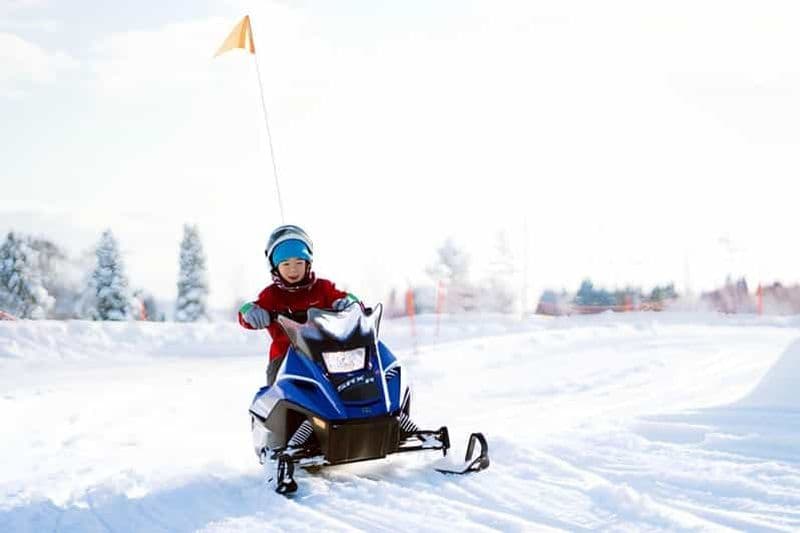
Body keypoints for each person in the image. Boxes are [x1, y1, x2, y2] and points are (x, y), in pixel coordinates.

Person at [238, 225, 358, 385]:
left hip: (327, 355)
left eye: (299, 262)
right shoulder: (271, 295)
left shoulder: (323, 288)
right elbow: (246, 312)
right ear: (275, 267)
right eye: (285, 264)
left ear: (308, 263)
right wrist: (250, 312)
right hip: (285, 358)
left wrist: (349, 303)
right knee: (279, 386)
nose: (293, 269)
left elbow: (351, 301)